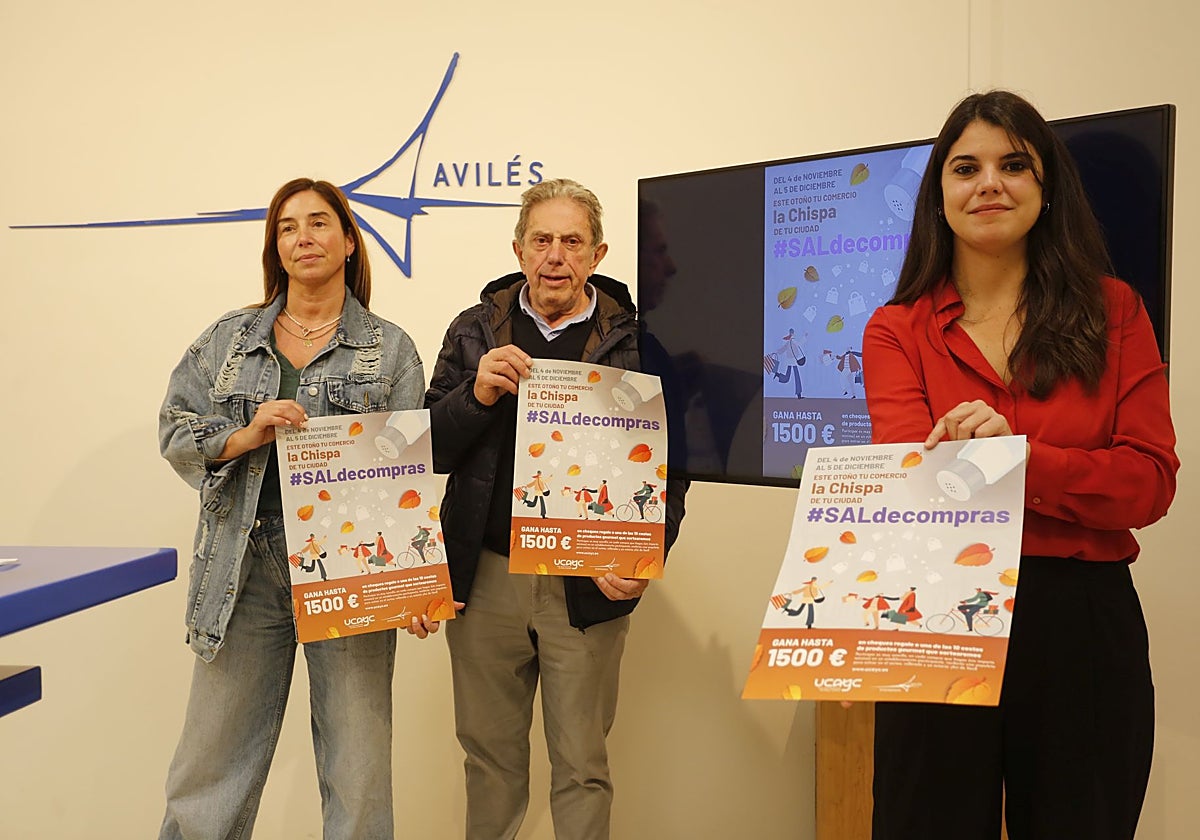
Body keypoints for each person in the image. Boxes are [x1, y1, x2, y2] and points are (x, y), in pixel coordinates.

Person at [862, 91, 1178, 840]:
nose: (989, 184)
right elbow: (916, 487)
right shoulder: (895, 330)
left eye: (1013, 165)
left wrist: (1019, 460)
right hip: (938, 611)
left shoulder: (1115, 312)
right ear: (939, 194)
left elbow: (1148, 484)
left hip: (1080, 622)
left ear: (1047, 187)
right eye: (965, 168)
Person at [157, 178, 443, 840]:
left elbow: (407, 479)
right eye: (287, 227)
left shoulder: (390, 349)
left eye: (318, 223)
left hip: (351, 575)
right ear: (275, 247)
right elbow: (174, 430)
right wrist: (245, 434)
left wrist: (414, 584)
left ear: (349, 241)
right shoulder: (228, 339)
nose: (302, 237)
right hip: (243, 569)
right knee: (210, 771)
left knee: (358, 770)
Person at [424, 178, 688, 839]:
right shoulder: (472, 331)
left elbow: (673, 469)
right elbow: (429, 448)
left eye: (572, 242)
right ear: (518, 249)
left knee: (582, 766)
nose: (555, 257)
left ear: (597, 254)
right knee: (490, 763)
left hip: (587, 581)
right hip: (486, 578)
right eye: (541, 240)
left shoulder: (640, 344)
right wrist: (476, 396)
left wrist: (643, 556)